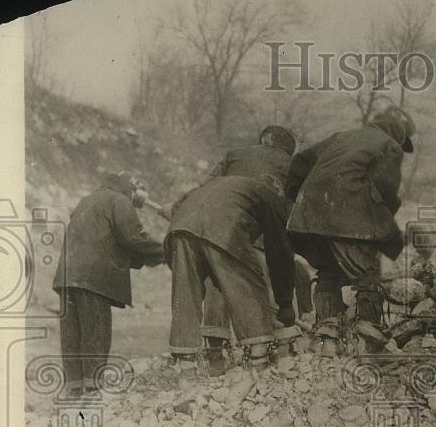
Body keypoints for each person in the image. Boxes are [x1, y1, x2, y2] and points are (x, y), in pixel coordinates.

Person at [285, 105, 415, 353]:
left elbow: (299, 163)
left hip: (310, 219)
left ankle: (327, 339)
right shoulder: (389, 145)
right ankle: (368, 341)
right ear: (399, 133)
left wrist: (302, 199)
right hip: (349, 218)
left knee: (328, 272)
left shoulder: (341, 136)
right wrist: (381, 225)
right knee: (367, 277)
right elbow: (386, 189)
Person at [193, 125, 303, 374]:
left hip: (219, 232)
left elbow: (205, 190)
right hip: (262, 234)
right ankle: (274, 349)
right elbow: (294, 211)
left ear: (263, 140)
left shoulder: (234, 154)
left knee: (218, 282)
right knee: (267, 286)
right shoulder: (293, 165)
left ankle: (215, 351)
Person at [165, 173, 296, 373]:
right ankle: (258, 358)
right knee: (250, 284)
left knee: (186, 294)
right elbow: (279, 253)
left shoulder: (227, 185)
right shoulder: (269, 194)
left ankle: (186, 366)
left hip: (179, 229)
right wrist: (285, 303)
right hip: (220, 228)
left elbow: (180, 206)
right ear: (277, 189)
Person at [53, 171, 164, 395]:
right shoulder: (119, 200)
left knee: (73, 334)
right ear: (129, 189)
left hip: (67, 276)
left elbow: (105, 240)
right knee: (96, 331)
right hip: (93, 278)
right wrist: (164, 252)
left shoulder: (88, 200)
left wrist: (143, 259)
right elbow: (133, 237)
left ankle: (75, 389)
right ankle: (92, 389)